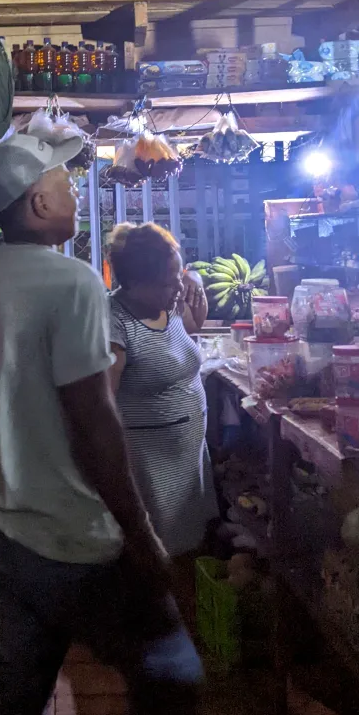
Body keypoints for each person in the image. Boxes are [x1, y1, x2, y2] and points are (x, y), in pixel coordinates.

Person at [0, 133, 202, 715]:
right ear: (38, 203)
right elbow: (95, 418)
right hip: (75, 540)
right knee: (174, 677)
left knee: (18, 701)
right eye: (64, 185)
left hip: (9, 532)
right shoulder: (75, 282)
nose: (73, 193)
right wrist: (141, 536)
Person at [107, 223, 219, 558]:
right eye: (169, 280)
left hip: (189, 459)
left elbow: (192, 325)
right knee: (159, 557)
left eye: (179, 274)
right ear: (137, 281)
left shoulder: (168, 308)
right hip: (149, 469)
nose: (178, 286)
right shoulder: (114, 321)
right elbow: (102, 404)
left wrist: (194, 281)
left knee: (192, 547)